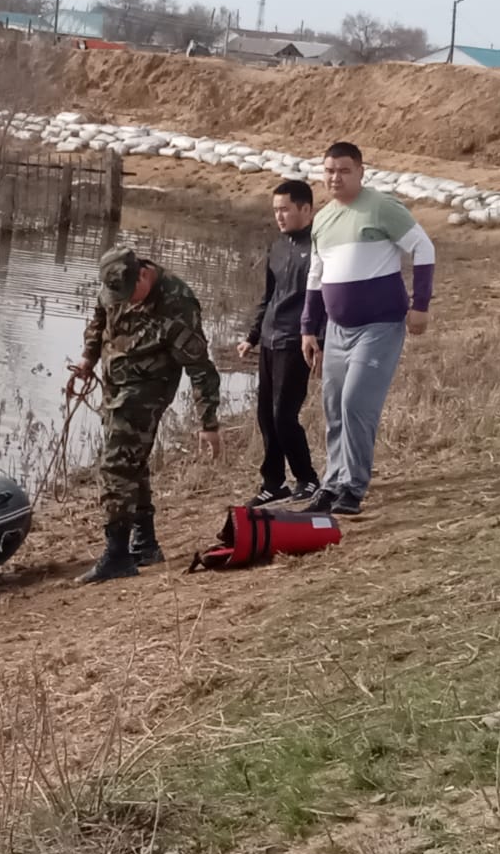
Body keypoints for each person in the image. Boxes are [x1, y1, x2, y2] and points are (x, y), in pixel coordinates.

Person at [69, 246, 222, 584]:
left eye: (130, 294)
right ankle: (146, 543)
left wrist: (208, 422)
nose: (126, 301)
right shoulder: (115, 283)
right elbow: (99, 318)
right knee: (131, 462)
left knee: (115, 465)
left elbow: (200, 368)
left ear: (143, 274)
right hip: (114, 383)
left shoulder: (177, 302)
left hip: (149, 389)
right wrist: (87, 358)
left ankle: (117, 555)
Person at [300, 142, 434, 517]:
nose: (335, 177)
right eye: (329, 170)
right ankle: (332, 482)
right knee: (333, 407)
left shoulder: (381, 207)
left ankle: (354, 486)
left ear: (361, 172)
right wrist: (309, 328)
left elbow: (423, 249)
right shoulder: (323, 219)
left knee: (356, 402)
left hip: (379, 325)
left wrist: (420, 305)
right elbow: (316, 274)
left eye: (343, 170)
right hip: (337, 331)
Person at [237, 179, 321, 507]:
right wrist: (252, 336)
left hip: (297, 341)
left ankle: (308, 478)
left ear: (306, 209)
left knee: (284, 415)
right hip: (271, 338)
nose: (280, 216)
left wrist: (319, 340)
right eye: (275, 210)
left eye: (285, 209)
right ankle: (273, 483)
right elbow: (268, 296)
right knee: (265, 416)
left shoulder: (318, 247)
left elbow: (324, 300)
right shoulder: (278, 246)